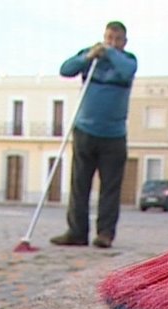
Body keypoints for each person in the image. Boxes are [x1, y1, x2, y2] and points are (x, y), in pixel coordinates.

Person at [50, 21, 137, 248]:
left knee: (110, 188)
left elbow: (127, 70)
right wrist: (88, 56)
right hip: (85, 131)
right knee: (79, 185)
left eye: (117, 39)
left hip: (114, 136)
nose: (112, 43)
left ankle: (105, 234)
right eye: (108, 38)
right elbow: (66, 69)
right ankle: (76, 232)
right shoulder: (91, 57)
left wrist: (108, 51)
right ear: (103, 36)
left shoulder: (128, 60)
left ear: (124, 42)